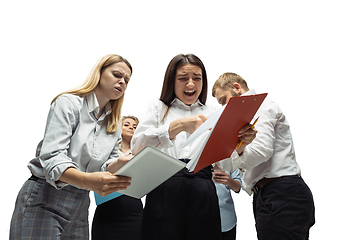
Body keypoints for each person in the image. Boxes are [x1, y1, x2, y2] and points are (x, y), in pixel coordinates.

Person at [131, 54, 257, 240]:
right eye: (183, 78)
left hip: (203, 187)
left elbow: (226, 163)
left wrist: (241, 145)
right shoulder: (158, 108)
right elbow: (137, 147)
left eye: (197, 78)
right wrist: (178, 126)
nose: (191, 84)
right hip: (165, 185)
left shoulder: (215, 112)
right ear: (171, 81)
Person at [10, 54, 134, 240]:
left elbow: (104, 166)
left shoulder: (114, 124)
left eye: (126, 80)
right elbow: (52, 157)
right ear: (99, 74)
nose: (122, 82)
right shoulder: (68, 103)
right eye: (117, 74)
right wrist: (88, 180)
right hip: (45, 195)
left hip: (80, 204)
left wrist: (121, 163)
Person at [212, 72, 315, 240]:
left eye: (224, 100)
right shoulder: (246, 116)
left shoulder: (259, 106)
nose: (224, 108)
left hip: (281, 193)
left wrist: (236, 155)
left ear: (236, 88)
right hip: (271, 195)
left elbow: (262, 151)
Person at [92, 115, 143, 240]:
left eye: (135, 126)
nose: (131, 127)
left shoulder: (141, 153)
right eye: (126, 124)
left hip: (132, 209)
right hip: (107, 206)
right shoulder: (105, 151)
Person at [212, 166, 241, 240]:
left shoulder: (229, 159)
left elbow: (237, 187)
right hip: (199, 217)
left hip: (225, 218)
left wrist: (229, 181)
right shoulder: (193, 157)